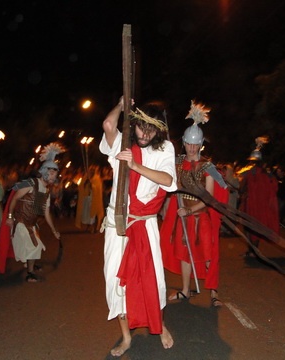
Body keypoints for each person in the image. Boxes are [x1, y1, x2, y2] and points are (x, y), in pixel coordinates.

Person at [99, 98, 177, 356]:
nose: (145, 134)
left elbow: (168, 180)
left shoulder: (164, 148)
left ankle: (159, 325)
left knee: (152, 280)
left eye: (151, 129)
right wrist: (121, 104)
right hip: (117, 224)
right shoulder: (123, 144)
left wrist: (134, 165)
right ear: (134, 126)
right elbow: (108, 123)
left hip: (145, 224)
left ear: (159, 130)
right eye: (141, 127)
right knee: (116, 282)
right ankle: (125, 337)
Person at [160, 100, 227, 306]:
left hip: (200, 216)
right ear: (184, 142)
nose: (191, 147)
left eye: (194, 144)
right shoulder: (178, 163)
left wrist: (189, 211)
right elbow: (169, 184)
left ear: (200, 145)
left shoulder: (207, 167)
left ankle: (214, 293)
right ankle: (186, 290)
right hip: (182, 214)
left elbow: (209, 198)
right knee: (184, 254)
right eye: (188, 143)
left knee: (208, 254)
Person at [2, 143, 62, 282]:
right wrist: (10, 217)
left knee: (36, 246)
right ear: (45, 171)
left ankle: (31, 265)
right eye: (51, 172)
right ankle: (30, 273)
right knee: (33, 246)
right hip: (21, 222)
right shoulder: (30, 183)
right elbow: (15, 198)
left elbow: (45, 212)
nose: (54, 175)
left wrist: (54, 230)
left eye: (55, 173)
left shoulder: (46, 191)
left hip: (31, 224)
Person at [238, 137, 279, 257]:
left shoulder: (248, 173)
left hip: (251, 205)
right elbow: (274, 187)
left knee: (249, 228)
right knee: (255, 228)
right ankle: (253, 249)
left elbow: (242, 187)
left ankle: (252, 250)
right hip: (262, 206)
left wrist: (242, 192)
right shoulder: (268, 174)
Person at [75, 165, 105, 233]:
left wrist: (92, 185)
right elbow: (80, 187)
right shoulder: (85, 177)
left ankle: (93, 228)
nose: (91, 172)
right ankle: (88, 227)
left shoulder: (97, 178)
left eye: (93, 171)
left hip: (94, 200)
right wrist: (85, 183)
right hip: (86, 199)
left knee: (93, 215)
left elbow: (98, 189)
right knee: (87, 214)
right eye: (90, 171)